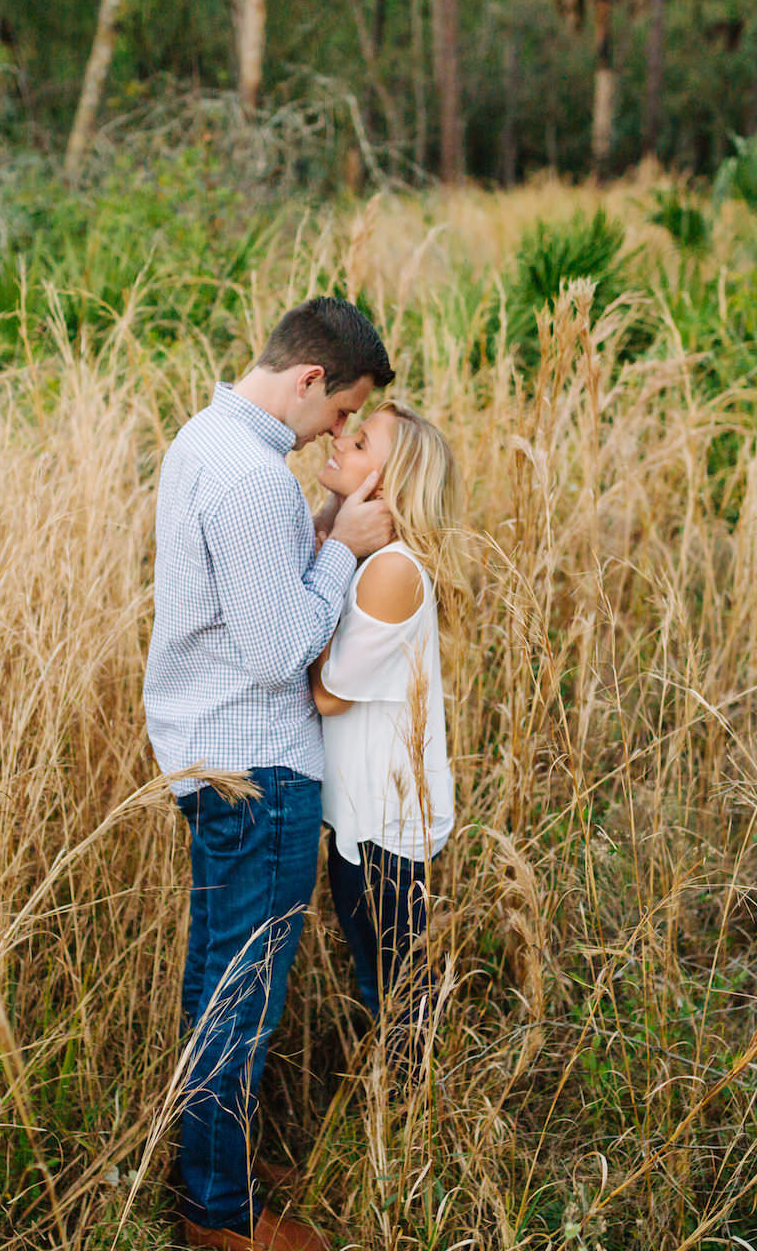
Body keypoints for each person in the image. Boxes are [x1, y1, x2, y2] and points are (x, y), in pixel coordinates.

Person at [145, 296, 395, 1251]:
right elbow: (277, 647)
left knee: (220, 980)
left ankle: (214, 1165)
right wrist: (341, 551)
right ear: (308, 381)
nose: (336, 432)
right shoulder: (251, 477)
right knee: (241, 994)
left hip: (221, 759)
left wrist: (321, 528)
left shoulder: (205, 441)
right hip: (258, 770)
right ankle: (222, 1215)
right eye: (341, 412)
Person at [308, 403, 458, 1076]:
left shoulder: (392, 571)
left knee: (399, 995)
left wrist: (322, 567)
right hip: (360, 818)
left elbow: (325, 693)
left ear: (389, 484)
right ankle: (400, 1113)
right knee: (383, 982)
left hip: (386, 826)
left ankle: (409, 1124)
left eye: (361, 440)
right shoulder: (373, 561)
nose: (340, 436)